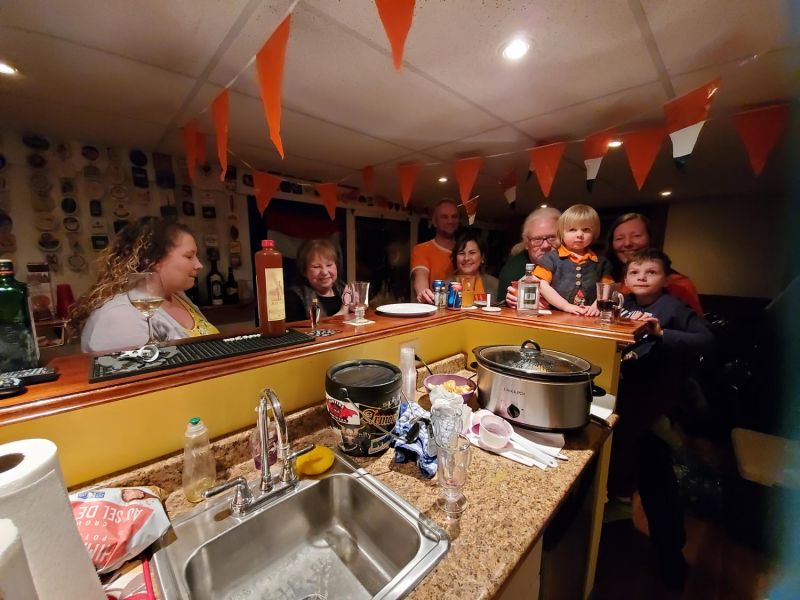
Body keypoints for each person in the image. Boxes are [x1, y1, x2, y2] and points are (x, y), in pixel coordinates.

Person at [610, 249, 715, 587]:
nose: (641, 277)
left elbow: (706, 340)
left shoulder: (672, 308)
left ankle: (671, 553)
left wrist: (661, 334)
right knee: (618, 463)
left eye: (651, 272)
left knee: (656, 478)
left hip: (652, 405)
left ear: (666, 278)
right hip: (621, 399)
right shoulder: (620, 302)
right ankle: (614, 520)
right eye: (635, 271)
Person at [70, 217, 218, 353]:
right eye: (189, 256)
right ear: (152, 260)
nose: (199, 265)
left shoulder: (179, 296)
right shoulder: (119, 317)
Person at [607, 212, 703, 315]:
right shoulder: (607, 279)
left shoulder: (679, 284)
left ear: (651, 238)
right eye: (619, 238)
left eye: (636, 236)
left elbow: (698, 328)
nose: (627, 243)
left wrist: (659, 331)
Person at [533, 204, 613, 316]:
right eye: (572, 229)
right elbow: (541, 285)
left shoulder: (601, 262)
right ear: (561, 233)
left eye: (586, 229)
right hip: (556, 315)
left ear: (594, 232)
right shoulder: (551, 259)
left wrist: (597, 305)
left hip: (590, 317)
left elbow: (607, 287)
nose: (580, 234)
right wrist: (565, 306)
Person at [497, 207, 560, 306]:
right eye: (537, 239)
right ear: (526, 243)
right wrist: (509, 304)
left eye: (552, 237)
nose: (545, 245)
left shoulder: (579, 263)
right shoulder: (512, 271)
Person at [285, 238, 349, 323]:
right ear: (304, 271)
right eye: (316, 267)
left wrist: (355, 309)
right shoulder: (294, 297)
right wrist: (345, 309)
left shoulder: (343, 289)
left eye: (329, 265)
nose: (325, 272)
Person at [412, 199, 460, 303]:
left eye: (454, 216)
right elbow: (421, 274)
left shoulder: (464, 251)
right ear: (434, 221)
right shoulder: (422, 249)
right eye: (444, 217)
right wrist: (423, 292)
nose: (450, 221)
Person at [448, 229, 498, 301]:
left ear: (482, 257)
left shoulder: (495, 284)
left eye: (472, 253)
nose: (466, 258)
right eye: (461, 253)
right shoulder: (446, 286)